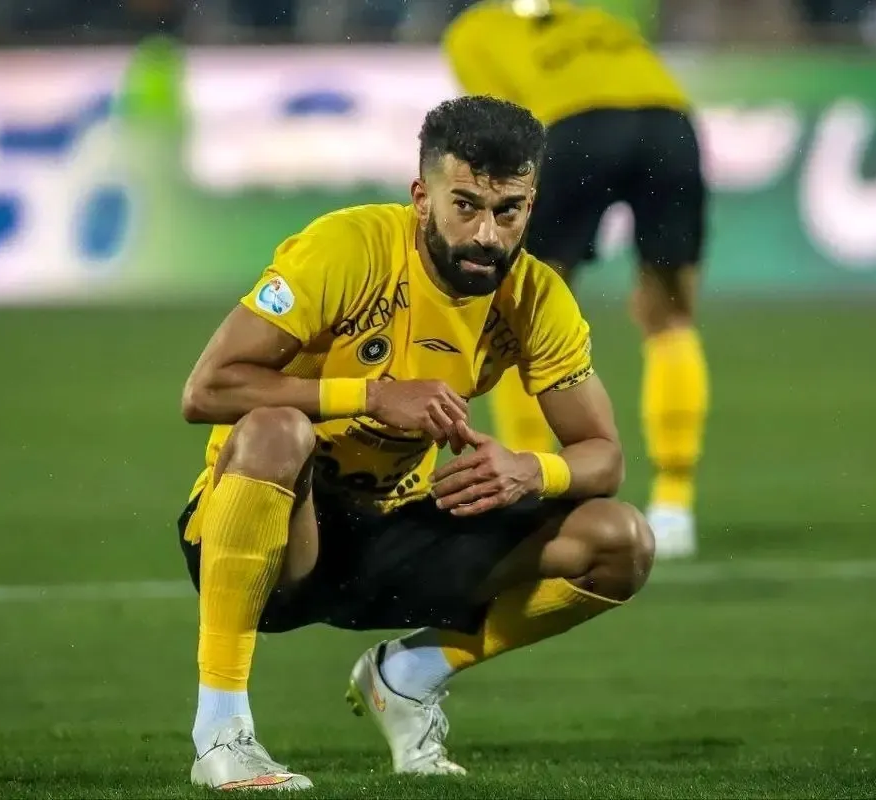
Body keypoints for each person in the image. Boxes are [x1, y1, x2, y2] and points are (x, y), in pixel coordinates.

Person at [176, 95, 655, 790]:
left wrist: (529, 470)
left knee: (621, 540)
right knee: (276, 431)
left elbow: (603, 456)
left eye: (509, 211)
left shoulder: (535, 297)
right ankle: (221, 733)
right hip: (279, 531)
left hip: (395, 528)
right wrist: (371, 395)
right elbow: (206, 390)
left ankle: (409, 676)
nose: (487, 234)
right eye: (466, 206)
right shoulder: (347, 249)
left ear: (531, 205)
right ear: (422, 197)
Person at [443, 0, 710, 558]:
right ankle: (674, 505)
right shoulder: (598, 18)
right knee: (669, 317)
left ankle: (524, 491)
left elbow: (501, 131)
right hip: (671, 125)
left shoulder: (472, 32)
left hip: (577, 126)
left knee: (518, 314)